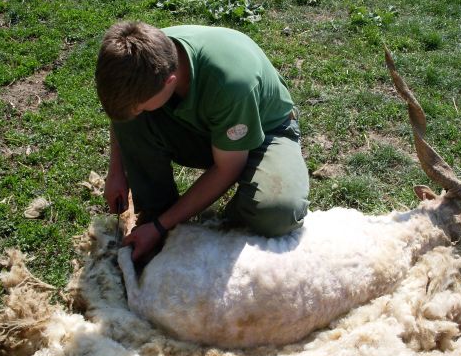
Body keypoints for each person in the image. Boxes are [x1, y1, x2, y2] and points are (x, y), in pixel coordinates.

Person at [96, 22, 309, 264]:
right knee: (131, 117)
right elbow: (121, 114)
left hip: (266, 129)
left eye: (141, 107)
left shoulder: (232, 83)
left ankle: (217, 219)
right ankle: (156, 209)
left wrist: (160, 226)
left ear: (169, 82)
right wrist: (116, 172)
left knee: (277, 212)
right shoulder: (142, 57)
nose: (137, 111)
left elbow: (227, 168)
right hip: (207, 126)